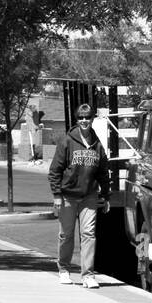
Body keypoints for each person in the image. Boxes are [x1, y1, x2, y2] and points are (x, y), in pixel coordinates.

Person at [48, 102, 111, 289]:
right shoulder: (67, 141)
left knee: (89, 234)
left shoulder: (97, 144)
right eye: (81, 118)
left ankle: (88, 275)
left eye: (88, 118)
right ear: (77, 120)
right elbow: (55, 171)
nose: (84, 121)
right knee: (66, 235)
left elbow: (103, 172)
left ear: (92, 119)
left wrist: (106, 196)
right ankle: (64, 269)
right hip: (67, 196)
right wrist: (57, 195)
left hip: (89, 196)